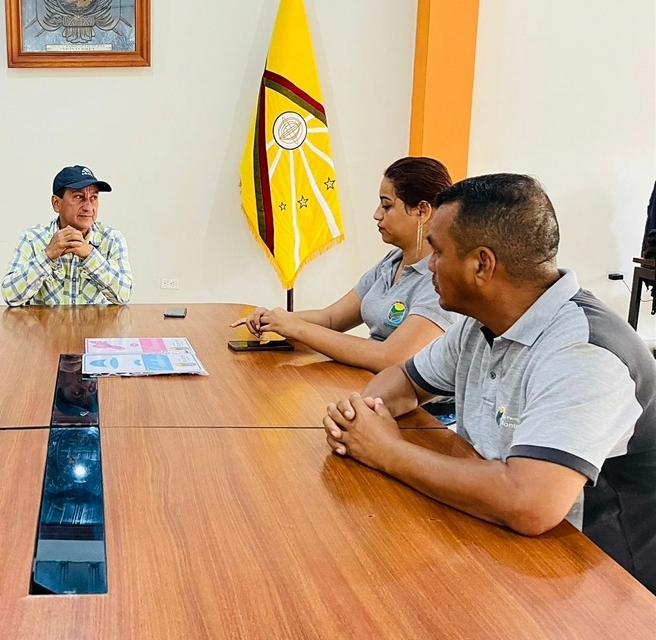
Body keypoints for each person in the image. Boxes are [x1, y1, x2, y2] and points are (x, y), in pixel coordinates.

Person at [323, 174, 656, 593]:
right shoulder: (480, 322)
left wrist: (385, 450)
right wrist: (362, 417)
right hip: (498, 537)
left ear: (482, 264)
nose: (429, 267)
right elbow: (405, 379)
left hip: (594, 576)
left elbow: (529, 504)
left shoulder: (584, 353)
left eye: (438, 252)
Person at [233, 156, 456, 373]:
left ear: (422, 211)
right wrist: (275, 319)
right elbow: (331, 319)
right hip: (369, 383)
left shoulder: (439, 278)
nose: (377, 214)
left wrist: (297, 327)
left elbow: (390, 357)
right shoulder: (391, 262)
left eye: (386, 206)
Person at [1, 165, 133, 306]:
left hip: (94, 321)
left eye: (93, 198)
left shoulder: (112, 239)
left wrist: (90, 256)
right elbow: (10, 296)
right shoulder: (32, 239)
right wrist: (47, 256)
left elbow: (124, 296)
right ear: (56, 203)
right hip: (46, 322)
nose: (88, 207)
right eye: (79, 197)